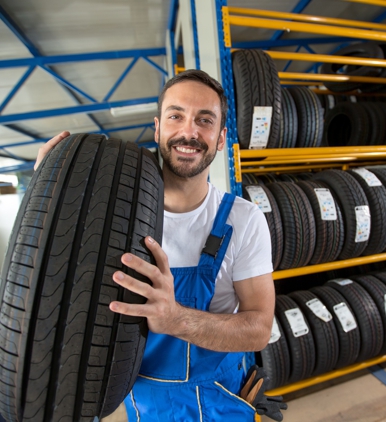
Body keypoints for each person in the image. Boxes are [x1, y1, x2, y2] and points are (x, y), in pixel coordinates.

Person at [35, 69, 275, 421]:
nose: (189, 132)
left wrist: (177, 319)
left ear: (221, 138)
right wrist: (50, 193)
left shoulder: (243, 220)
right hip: (141, 405)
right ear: (158, 127)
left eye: (204, 120)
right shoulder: (111, 218)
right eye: (176, 116)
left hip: (220, 402)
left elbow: (259, 330)